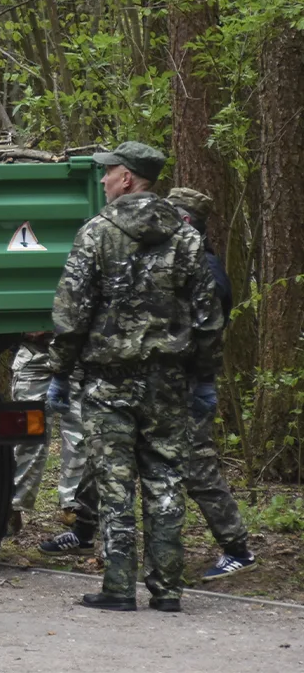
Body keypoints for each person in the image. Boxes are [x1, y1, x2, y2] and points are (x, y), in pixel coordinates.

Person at [47, 141, 222, 613]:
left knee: (114, 484)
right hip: (169, 381)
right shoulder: (186, 238)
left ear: (128, 178)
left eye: (109, 173)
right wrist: (205, 379)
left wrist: (60, 373)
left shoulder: (96, 233)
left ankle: (119, 587)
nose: (103, 179)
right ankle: (167, 590)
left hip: (110, 381)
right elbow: (207, 317)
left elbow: (71, 312)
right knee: (166, 481)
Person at [160, 187, 256, 580]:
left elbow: (206, 333)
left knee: (197, 468)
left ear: (185, 222)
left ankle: (238, 549)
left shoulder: (208, 270)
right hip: (170, 383)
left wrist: (200, 384)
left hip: (189, 383)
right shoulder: (185, 263)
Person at [8, 331, 87, 537]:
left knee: (78, 438)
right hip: (35, 356)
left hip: (75, 358)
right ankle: (12, 508)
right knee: (28, 436)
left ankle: (74, 508)